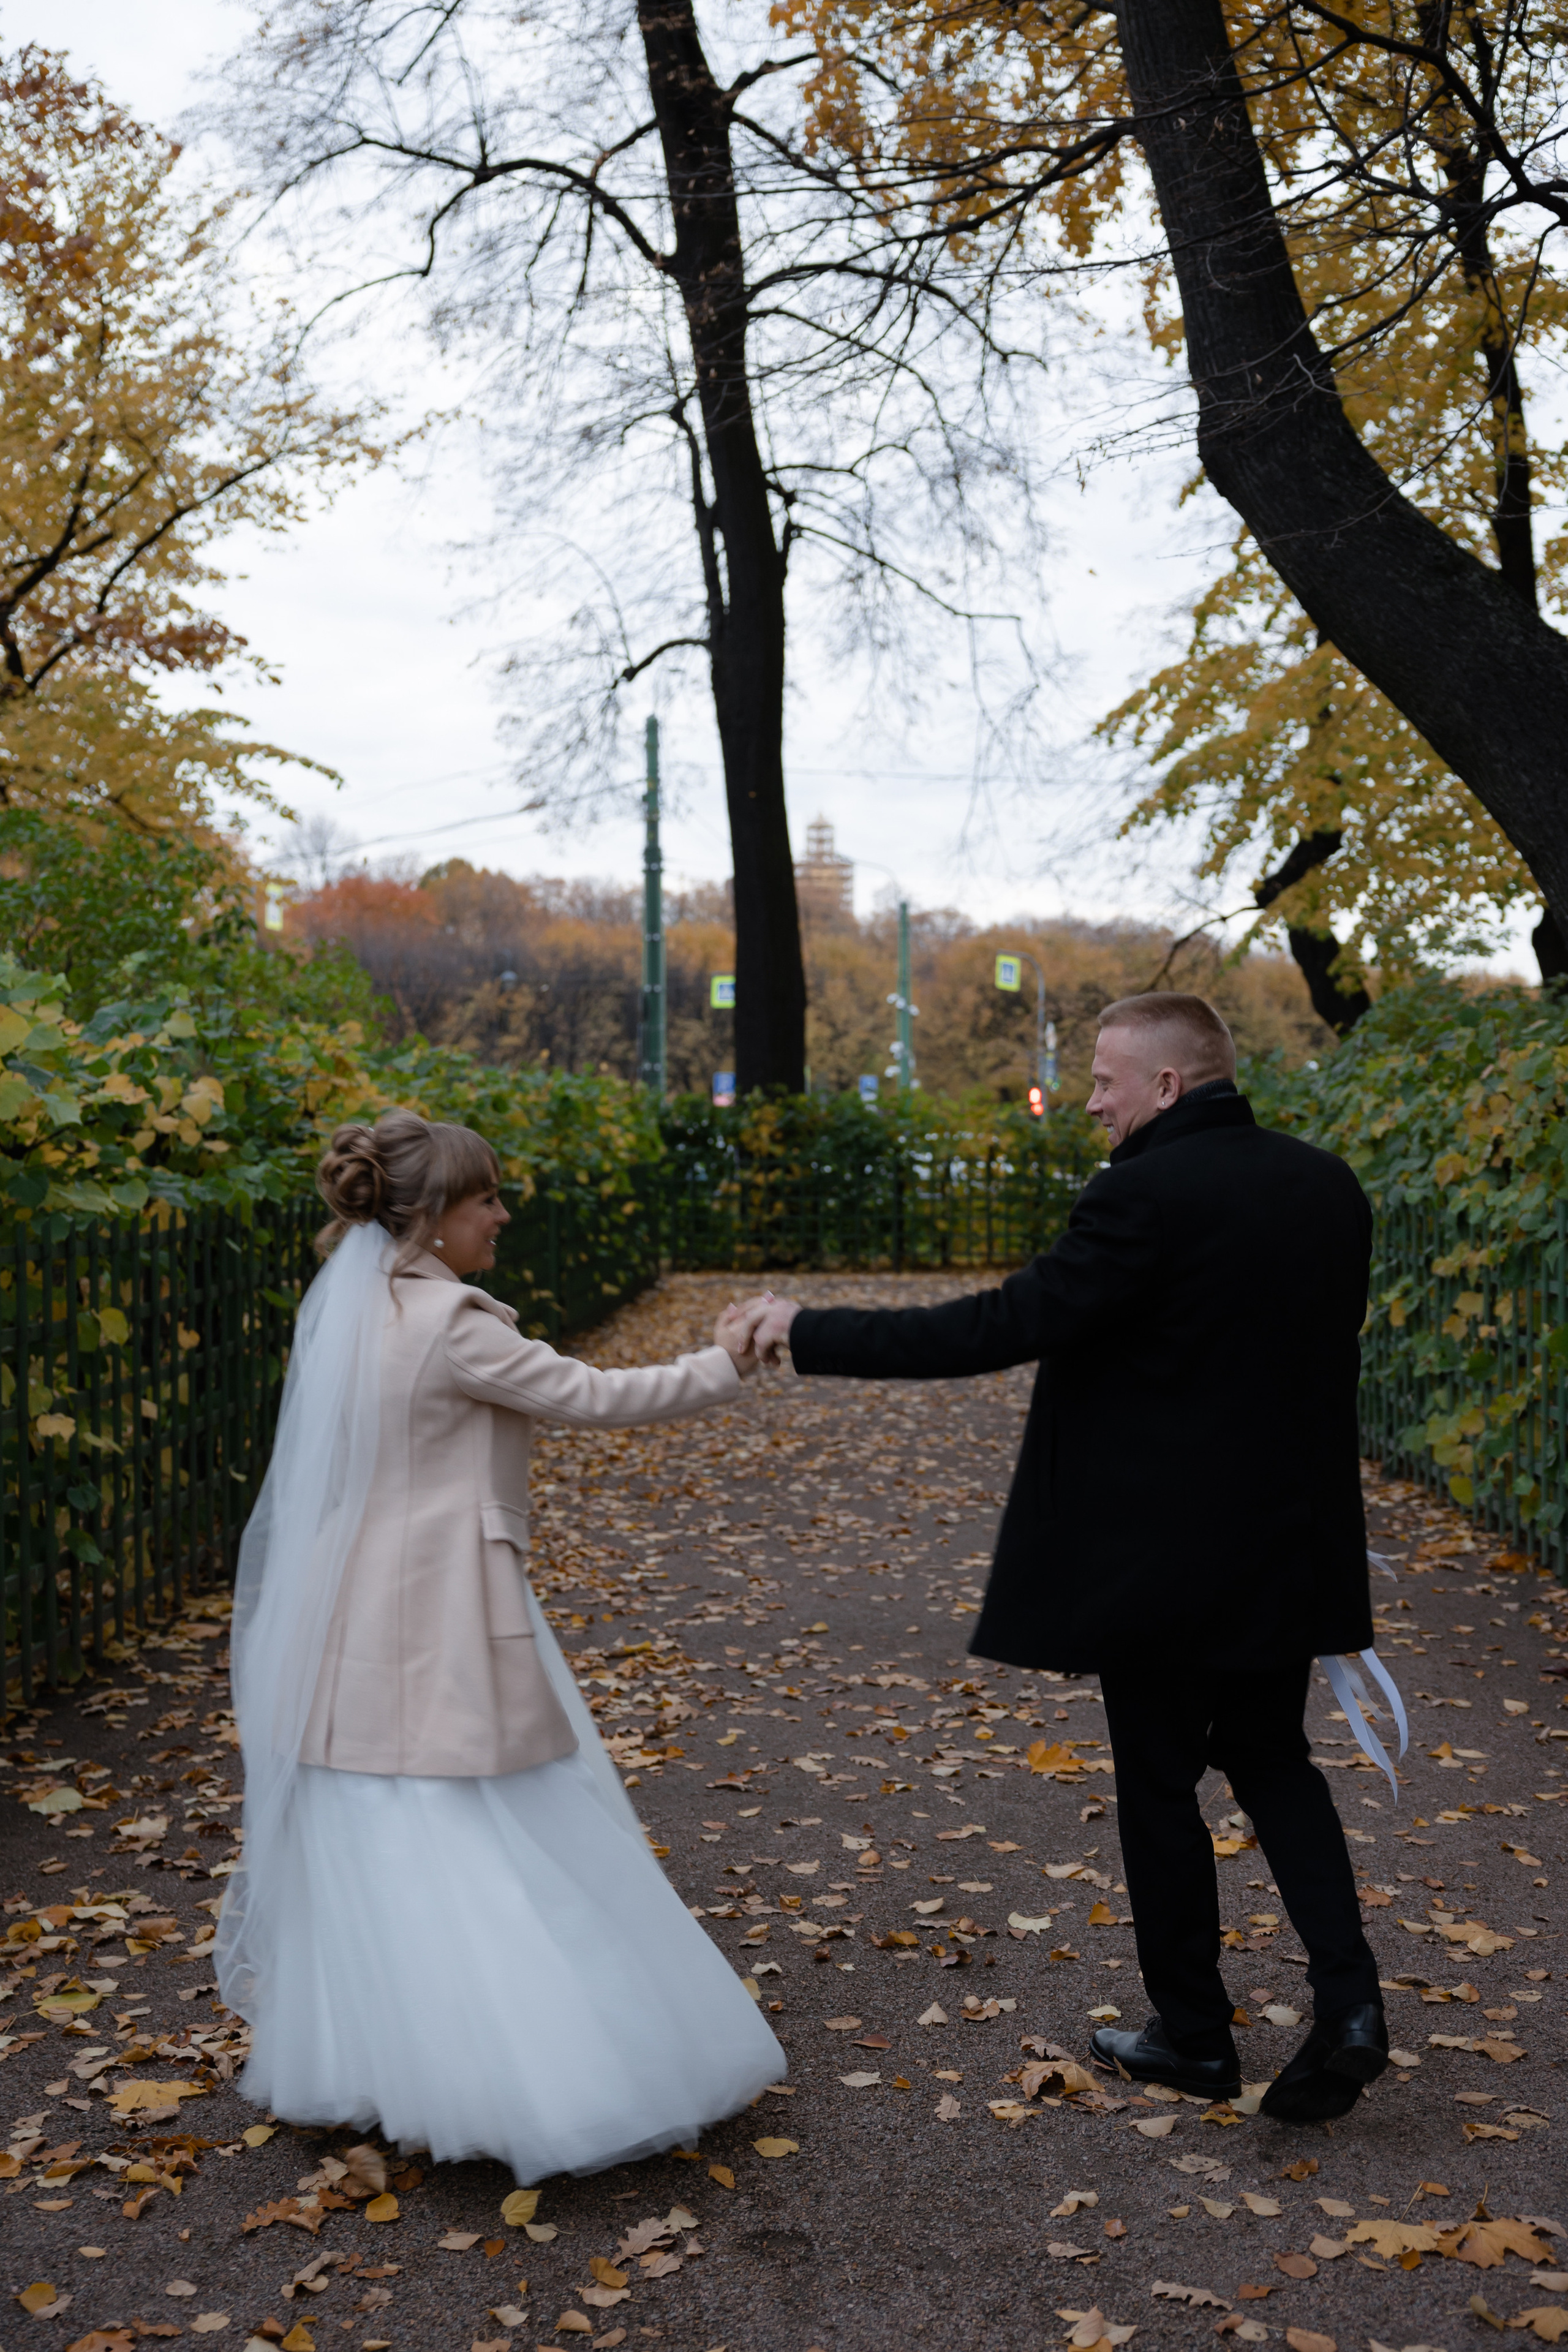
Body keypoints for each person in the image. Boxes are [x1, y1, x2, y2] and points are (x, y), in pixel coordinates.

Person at [737, 993, 1389, 2124]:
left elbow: (998, 1327)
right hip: (1291, 1542)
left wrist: (808, 1328)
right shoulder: (1325, 1184)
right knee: (1275, 1761)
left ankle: (1194, 2035)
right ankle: (1351, 2007)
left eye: (1103, 1081)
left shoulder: (1140, 1194)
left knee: (1158, 1787)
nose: (1089, 1102)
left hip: (1161, 1565)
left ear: (1167, 1087)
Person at [217, 1109, 782, 2182]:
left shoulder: (355, 1309)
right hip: (438, 1610)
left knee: (379, 1827)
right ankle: (542, 2079)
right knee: (473, 1818)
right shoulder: (452, 1323)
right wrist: (727, 1362)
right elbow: (597, 1397)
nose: (503, 1215)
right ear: (431, 1217)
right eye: (487, 1200)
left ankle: (373, 2064)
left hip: (347, 1607)